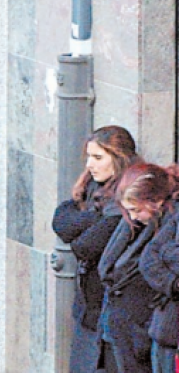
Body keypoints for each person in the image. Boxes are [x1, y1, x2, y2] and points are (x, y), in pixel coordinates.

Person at [52, 126, 139, 373]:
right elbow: (61, 219)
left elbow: (84, 245)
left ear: (119, 159)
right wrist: (94, 219)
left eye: (98, 157)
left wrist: (88, 221)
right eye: (89, 157)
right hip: (88, 307)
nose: (90, 164)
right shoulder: (92, 186)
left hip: (110, 306)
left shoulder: (126, 194)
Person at [98, 163, 178, 373]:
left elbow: (153, 260)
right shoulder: (138, 225)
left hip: (150, 325)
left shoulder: (170, 220)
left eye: (136, 210)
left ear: (156, 201)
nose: (132, 217)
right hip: (129, 327)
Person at [140, 176, 179, 373]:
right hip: (165, 329)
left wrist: (167, 251)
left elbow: (161, 250)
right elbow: (148, 257)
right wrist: (173, 284)